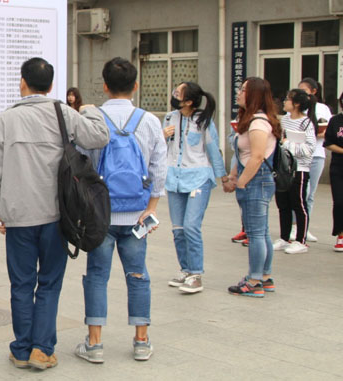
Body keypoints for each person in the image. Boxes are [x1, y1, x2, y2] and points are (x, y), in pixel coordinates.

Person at [0, 57, 109, 371]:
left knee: (21, 284)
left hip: (18, 216)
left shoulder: (4, 120)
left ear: (22, 83)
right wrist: (90, 110)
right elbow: (99, 136)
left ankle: (21, 350)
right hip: (56, 215)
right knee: (49, 282)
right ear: (51, 85)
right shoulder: (62, 113)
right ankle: (42, 350)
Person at [74, 57, 166, 364]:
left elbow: (81, 166)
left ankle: (94, 344)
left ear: (104, 86)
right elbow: (159, 168)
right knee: (138, 275)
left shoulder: (93, 120)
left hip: (101, 215)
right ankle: (141, 341)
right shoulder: (149, 121)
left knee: (97, 276)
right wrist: (151, 207)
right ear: (135, 85)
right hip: (137, 215)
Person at [162, 82, 227, 294]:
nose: (174, 95)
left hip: (198, 178)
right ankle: (186, 269)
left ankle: (196, 274)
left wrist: (223, 176)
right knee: (178, 229)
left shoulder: (203, 120)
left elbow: (212, 148)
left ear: (189, 101)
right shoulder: (169, 117)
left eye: (178, 93)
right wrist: (163, 136)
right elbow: (161, 148)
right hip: (174, 178)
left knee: (191, 226)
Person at [223, 77, 280, 297]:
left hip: (256, 180)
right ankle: (265, 276)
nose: (239, 93)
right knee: (261, 231)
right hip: (253, 179)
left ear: (255, 95)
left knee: (255, 233)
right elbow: (244, 154)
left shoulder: (258, 123)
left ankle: (254, 281)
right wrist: (233, 175)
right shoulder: (252, 120)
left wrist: (242, 182)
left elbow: (256, 157)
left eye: (244, 90)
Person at [273, 89, 316, 254]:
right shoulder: (285, 120)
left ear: (296, 104)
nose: (284, 102)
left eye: (287, 99)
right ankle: (284, 238)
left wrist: (288, 144)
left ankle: (301, 240)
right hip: (284, 168)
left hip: (300, 169)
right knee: (283, 204)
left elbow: (309, 149)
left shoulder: (306, 123)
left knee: (298, 204)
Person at [296, 78, 332, 242]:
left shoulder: (323, 108)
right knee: (299, 192)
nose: (301, 93)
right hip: (300, 154)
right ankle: (294, 226)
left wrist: (319, 133)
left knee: (310, 194)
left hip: (317, 154)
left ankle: (305, 227)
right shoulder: (296, 107)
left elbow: (329, 130)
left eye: (304, 90)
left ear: (314, 91)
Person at [323, 91, 343, 252]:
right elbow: (328, 143)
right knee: (339, 201)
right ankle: (340, 235)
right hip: (338, 167)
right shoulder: (335, 121)